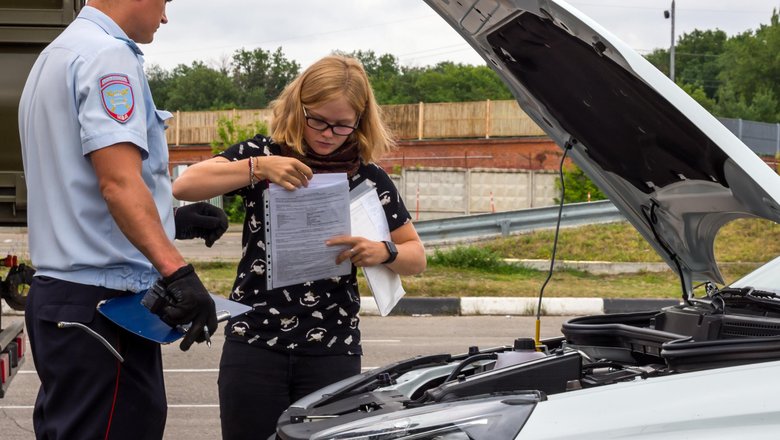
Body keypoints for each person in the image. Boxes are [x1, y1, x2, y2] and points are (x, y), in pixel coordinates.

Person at [172, 54, 427, 439]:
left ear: (361, 121)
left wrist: (383, 252)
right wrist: (259, 167)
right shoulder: (264, 155)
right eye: (318, 120)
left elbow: (416, 257)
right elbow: (185, 186)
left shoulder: (368, 176)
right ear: (298, 108)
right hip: (255, 341)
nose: (327, 133)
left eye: (342, 126)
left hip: (332, 349)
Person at [18, 1, 224, 439]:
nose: (165, 17)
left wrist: (173, 222)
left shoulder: (55, 55)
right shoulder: (108, 55)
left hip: (62, 298)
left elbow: (78, 189)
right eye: (165, 2)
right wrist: (179, 274)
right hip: (103, 306)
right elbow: (117, 183)